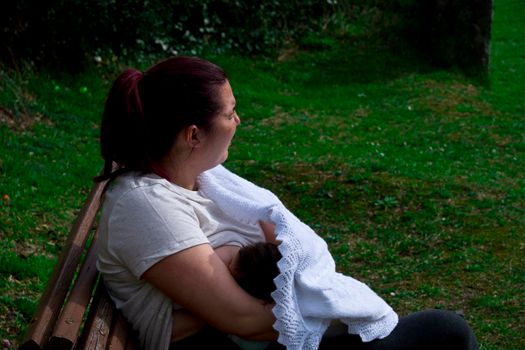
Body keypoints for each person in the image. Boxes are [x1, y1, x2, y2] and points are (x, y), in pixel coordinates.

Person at [96, 56, 479, 350]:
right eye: (230, 112)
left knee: (442, 331)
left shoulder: (191, 181)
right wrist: (305, 301)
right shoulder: (147, 206)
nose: (238, 120)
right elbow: (244, 320)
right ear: (193, 135)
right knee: (447, 333)